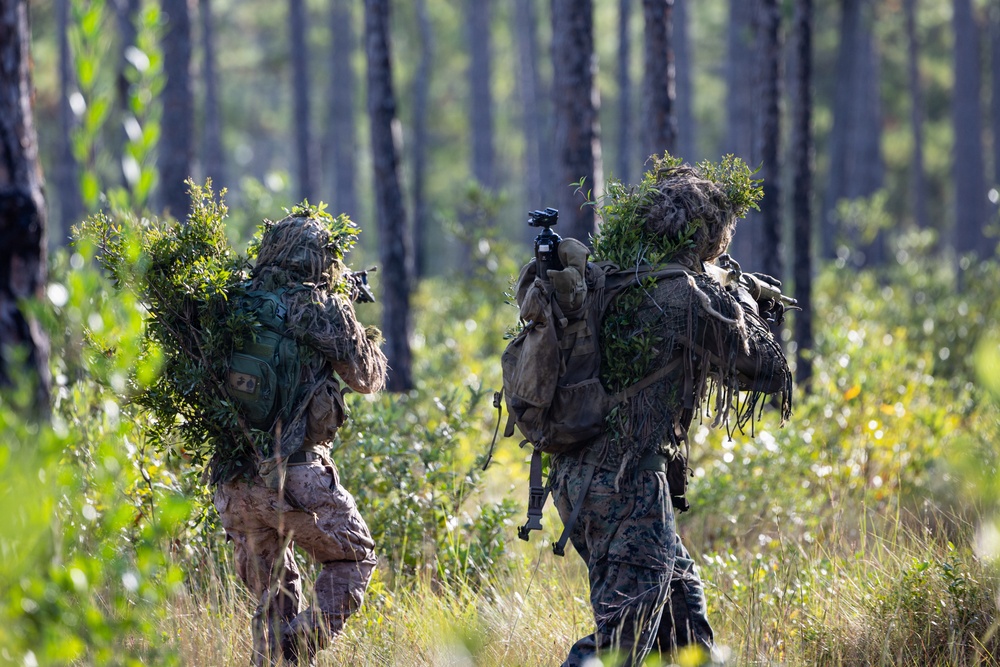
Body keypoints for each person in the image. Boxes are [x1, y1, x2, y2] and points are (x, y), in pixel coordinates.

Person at [546, 161, 792, 666]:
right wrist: (747, 305)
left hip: (578, 479)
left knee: (684, 627)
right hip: (628, 488)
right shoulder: (687, 297)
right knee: (621, 645)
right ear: (707, 233)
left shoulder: (612, 282)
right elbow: (767, 372)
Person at [211, 212, 388, 666]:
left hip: (233, 482)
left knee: (272, 597)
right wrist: (351, 319)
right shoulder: (319, 306)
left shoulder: (234, 299)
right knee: (354, 560)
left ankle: (276, 655)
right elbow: (367, 379)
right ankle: (296, 646)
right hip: (296, 478)